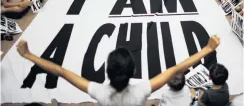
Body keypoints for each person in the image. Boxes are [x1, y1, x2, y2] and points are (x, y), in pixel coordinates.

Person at [16, 35, 220, 106]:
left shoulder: (99, 91)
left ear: (107, 72)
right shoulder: (143, 89)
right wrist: (208, 49)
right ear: (133, 71)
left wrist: (28, 55)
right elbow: (177, 68)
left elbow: (60, 71)